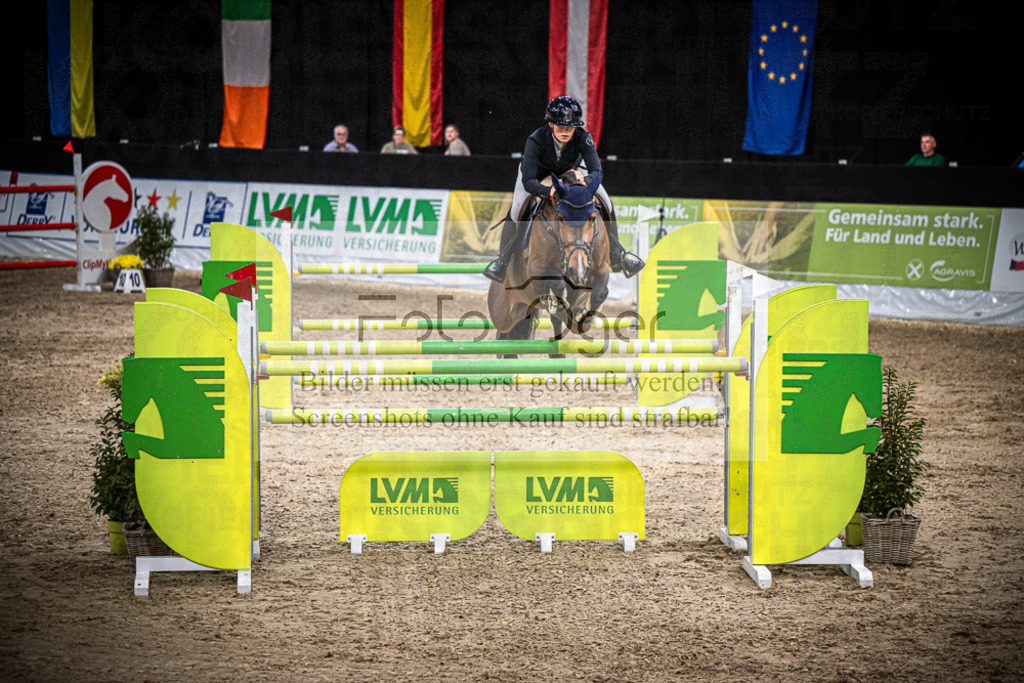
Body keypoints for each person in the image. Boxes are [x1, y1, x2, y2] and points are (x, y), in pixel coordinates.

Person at [483, 95, 644, 282]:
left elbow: (596, 172)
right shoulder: (535, 140)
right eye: (561, 126)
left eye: (571, 127)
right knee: (518, 206)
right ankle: (502, 260)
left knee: (606, 200)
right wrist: (546, 191)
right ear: (551, 124)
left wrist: (585, 181)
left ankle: (617, 255)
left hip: (572, 171)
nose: (566, 131)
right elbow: (528, 180)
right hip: (538, 173)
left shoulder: (584, 137)